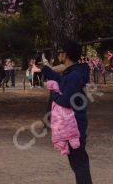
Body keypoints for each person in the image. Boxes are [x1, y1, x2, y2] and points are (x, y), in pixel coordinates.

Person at [42, 40, 93, 184]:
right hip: (73, 126)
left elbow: (65, 100)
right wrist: (47, 71)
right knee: (79, 163)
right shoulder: (73, 72)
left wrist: (54, 93)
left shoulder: (74, 75)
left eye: (60, 52)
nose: (59, 54)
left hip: (74, 128)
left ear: (66, 54)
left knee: (79, 164)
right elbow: (62, 79)